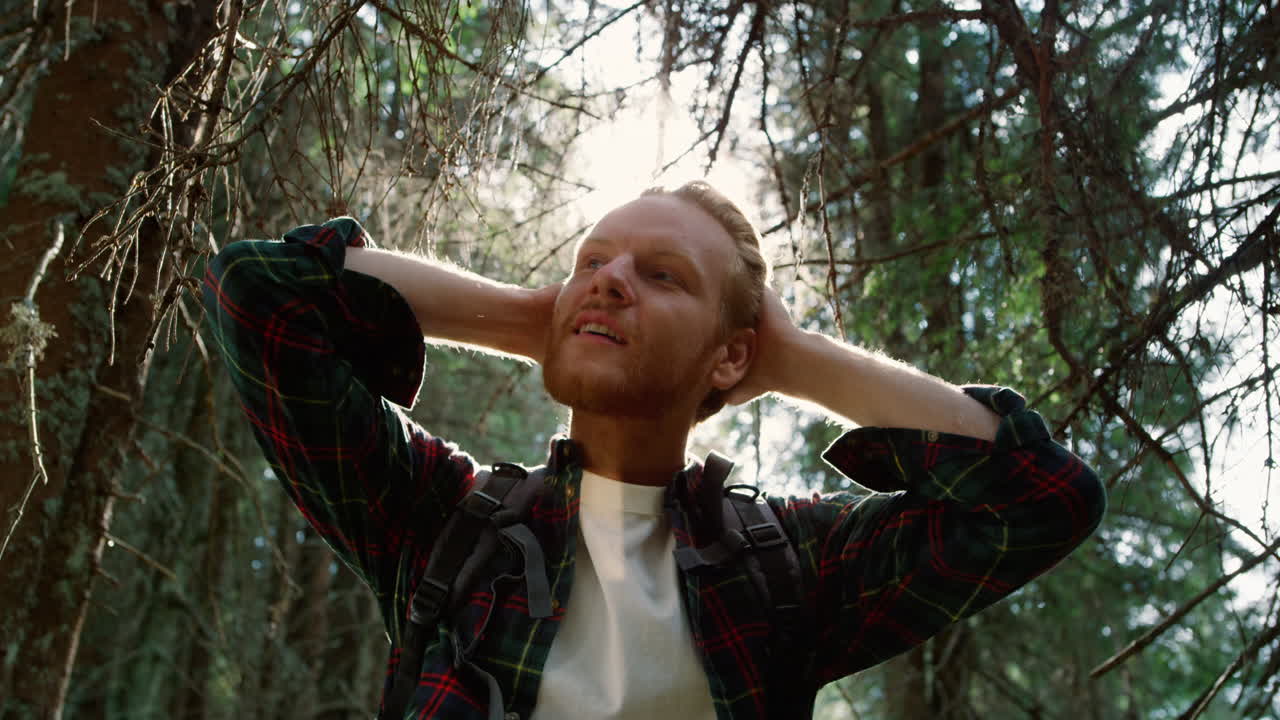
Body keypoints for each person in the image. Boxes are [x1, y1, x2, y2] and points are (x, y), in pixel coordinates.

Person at [202, 181, 1106, 719]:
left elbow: (1039, 497)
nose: (609, 280)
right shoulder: (442, 523)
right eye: (591, 262)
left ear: (733, 355)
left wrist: (794, 358)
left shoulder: (790, 569)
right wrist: (538, 319)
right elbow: (259, 291)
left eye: (662, 275)